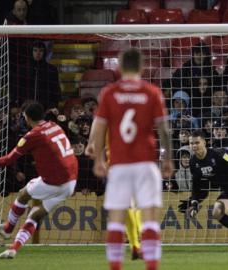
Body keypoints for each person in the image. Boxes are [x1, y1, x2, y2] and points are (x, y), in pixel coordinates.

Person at [85, 48, 173, 270]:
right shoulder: (152, 92)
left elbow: (99, 125)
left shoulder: (110, 93)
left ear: (120, 68)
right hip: (145, 164)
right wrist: (167, 158)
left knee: (115, 220)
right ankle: (151, 266)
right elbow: (164, 129)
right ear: (142, 68)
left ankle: (116, 266)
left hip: (120, 166)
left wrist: (98, 159)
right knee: (150, 219)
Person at [0, 101, 78, 259]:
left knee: (23, 194)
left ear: (27, 117)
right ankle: (13, 249)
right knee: (36, 214)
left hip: (54, 182)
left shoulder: (33, 135)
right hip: (70, 183)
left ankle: (8, 229)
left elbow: (9, 159)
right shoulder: (54, 125)